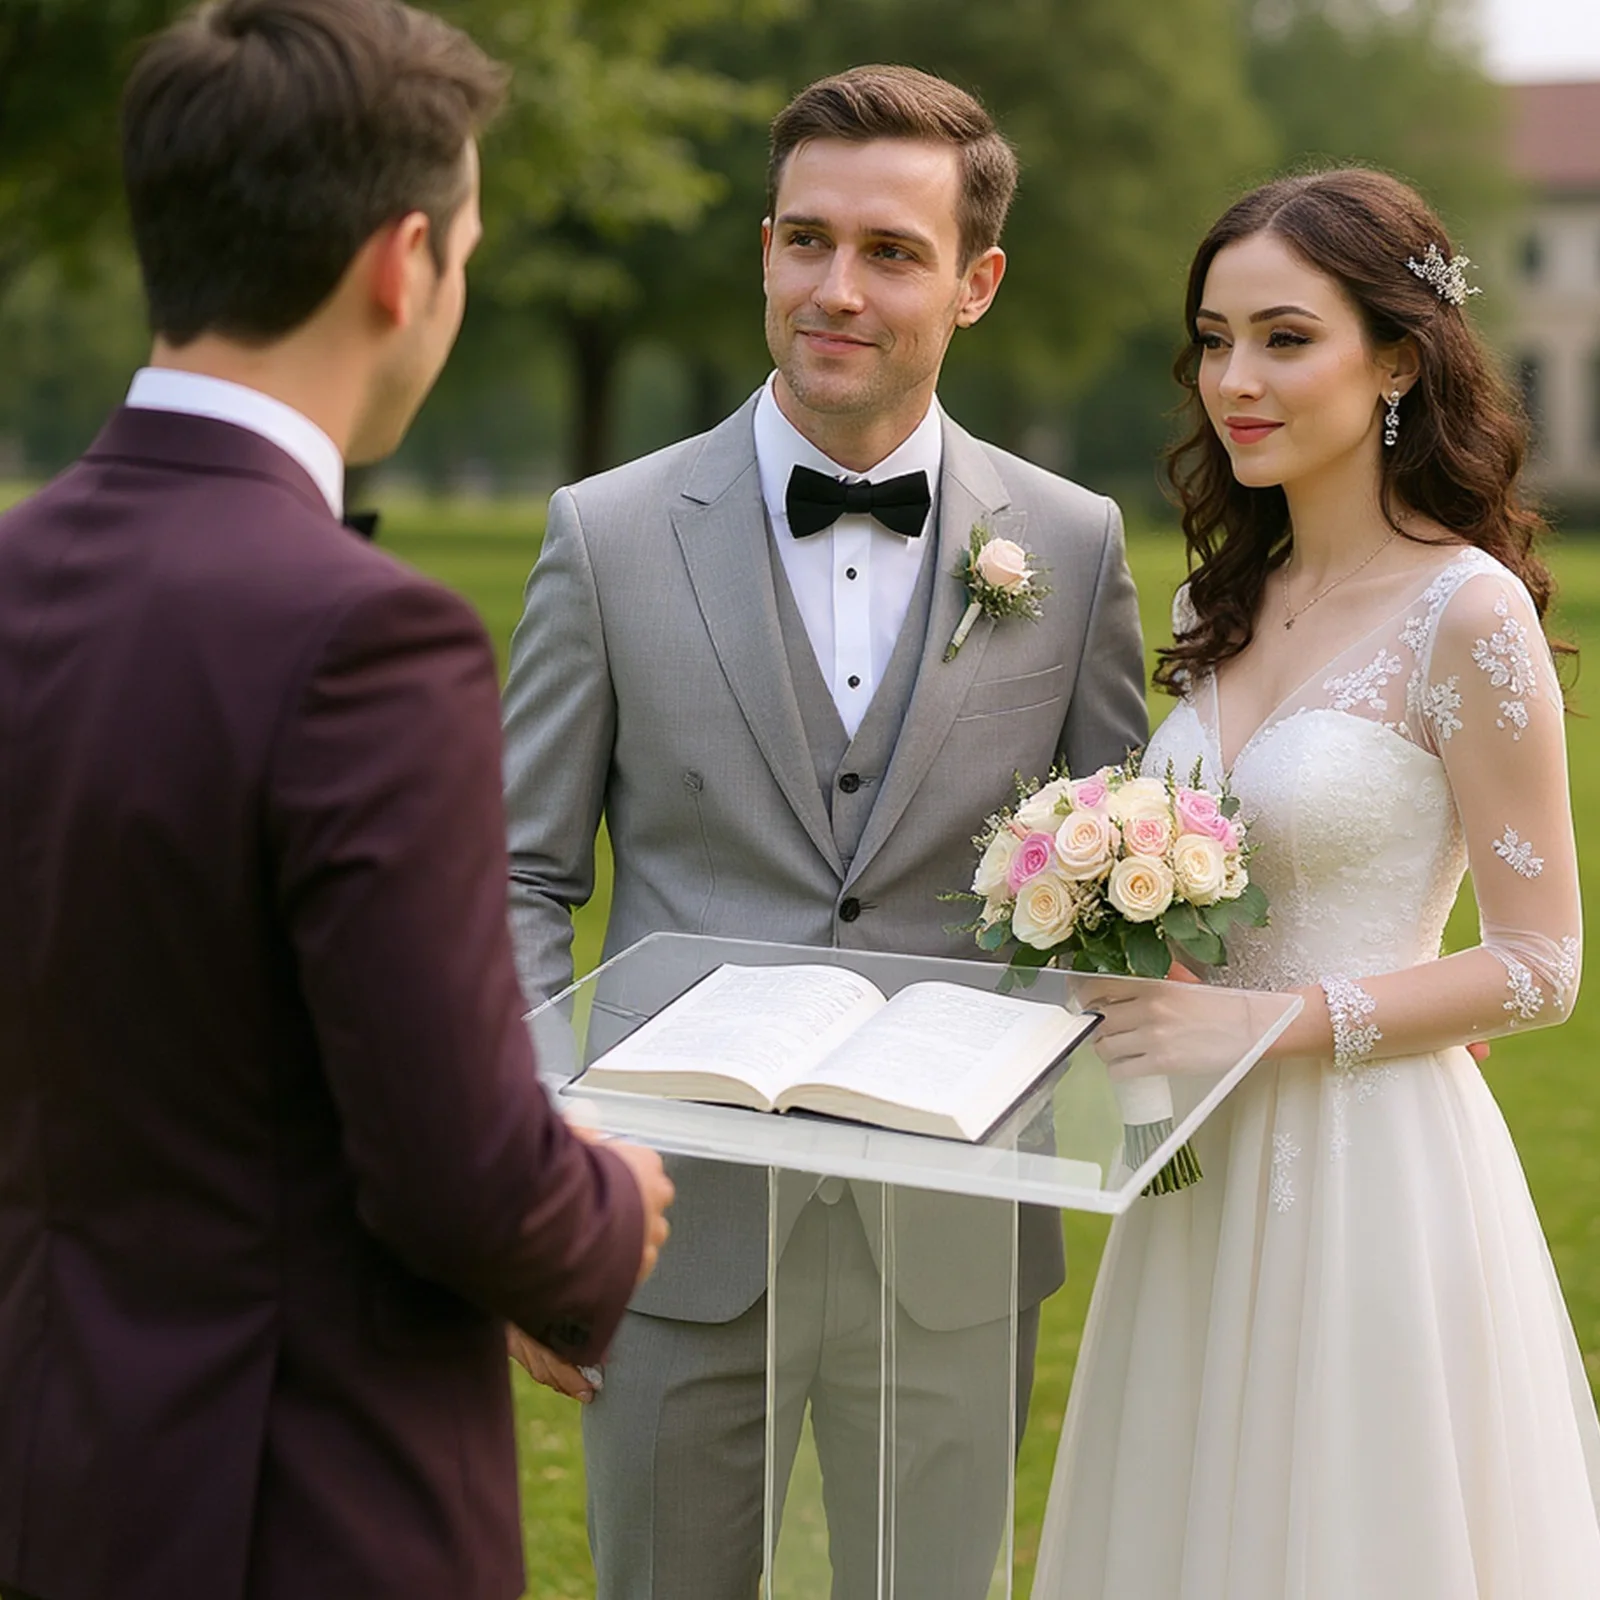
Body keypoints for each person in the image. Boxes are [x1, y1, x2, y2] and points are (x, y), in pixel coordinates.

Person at [0, 4, 674, 1599]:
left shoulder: (16, 569)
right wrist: (607, 1205)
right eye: (469, 254)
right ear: (404, 262)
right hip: (290, 1502)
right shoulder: (366, 637)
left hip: (48, 1467)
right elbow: (460, 1174)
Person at [501, 63, 1147, 1600]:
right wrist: (544, 1171)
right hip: (669, 1231)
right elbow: (518, 875)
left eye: (891, 253)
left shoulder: (1071, 544)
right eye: (806, 240)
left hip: (957, 1233)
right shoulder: (606, 534)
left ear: (977, 283)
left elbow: (1124, 871)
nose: (834, 289)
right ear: (767, 249)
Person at [1033, 166, 1600, 1598]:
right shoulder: (1220, 602)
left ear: (1397, 359)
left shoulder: (1466, 613)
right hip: (1197, 1171)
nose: (1236, 380)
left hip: (1371, 1170)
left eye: (1286, 339)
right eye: (1214, 341)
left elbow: (1542, 965)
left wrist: (1259, 1026)